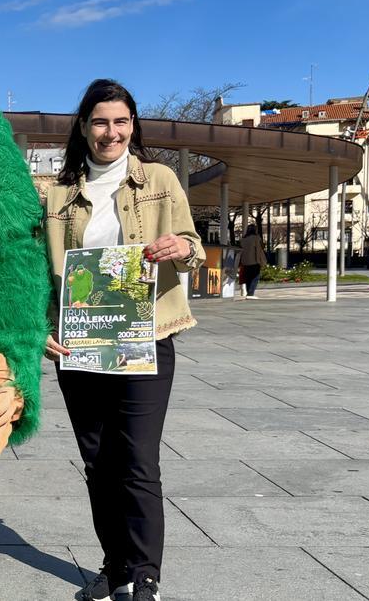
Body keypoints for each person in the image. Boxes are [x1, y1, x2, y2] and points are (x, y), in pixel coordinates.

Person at [44, 78, 205, 601]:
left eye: (120, 121)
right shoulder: (58, 195)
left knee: (135, 458)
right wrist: (41, 327)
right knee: (97, 462)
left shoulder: (159, 179)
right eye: (99, 121)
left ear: (133, 126)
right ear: (84, 128)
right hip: (81, 342)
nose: (110, 132)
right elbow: (38, 272)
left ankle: (144, 574)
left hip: (146, 334)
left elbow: (195, 249)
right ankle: (115, 568)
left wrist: (179, 244)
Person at [239, 224, 267, 299]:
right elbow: (258, 251)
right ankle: (250, 294)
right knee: (255, 277)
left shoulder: (243, 239)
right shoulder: (256, 238)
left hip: (245, 262)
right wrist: (260, 261)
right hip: (254, 261)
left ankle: (249, 293)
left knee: (248, 278)